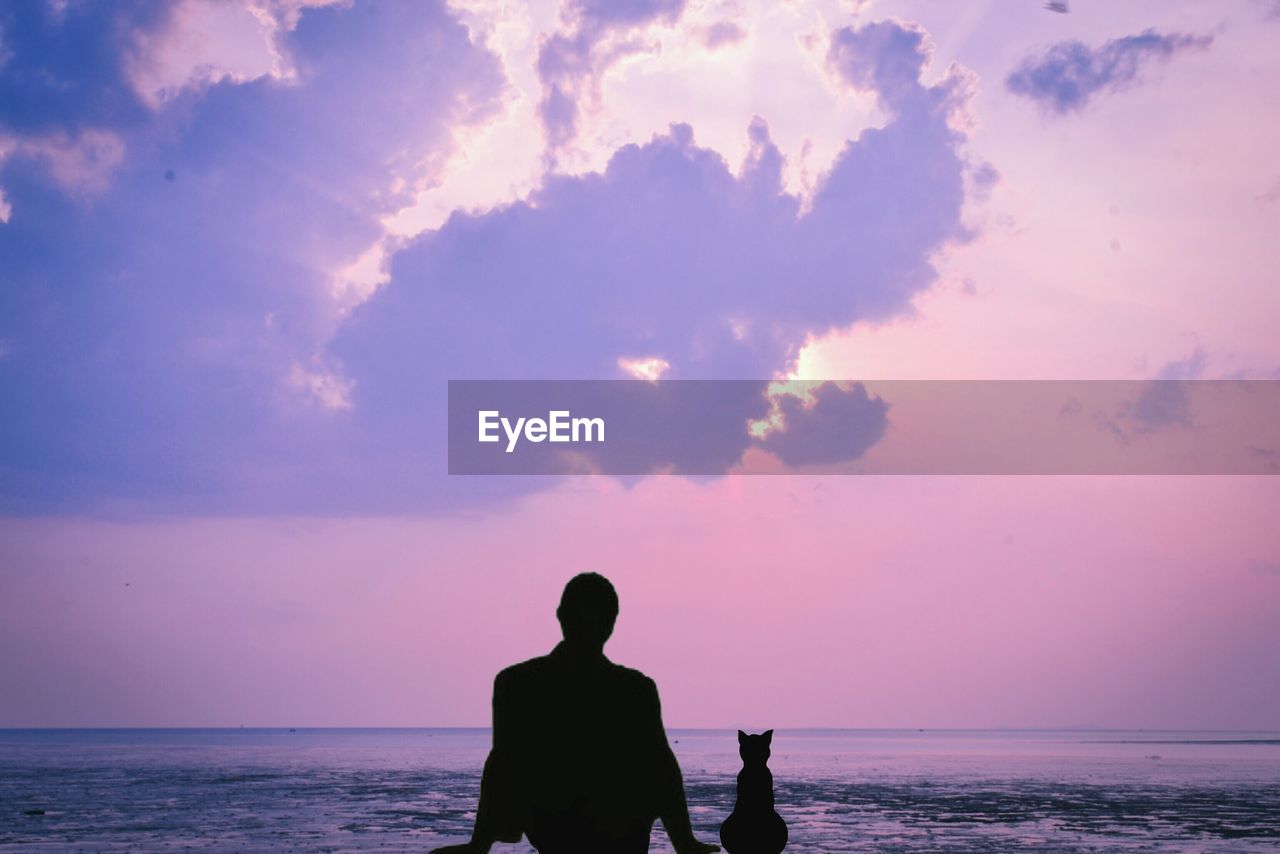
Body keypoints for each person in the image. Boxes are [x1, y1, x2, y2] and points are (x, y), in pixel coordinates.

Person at [432, 573, 719, 854]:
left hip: (570, 829)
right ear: (612, 623)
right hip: (614, 831)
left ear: (560, 616)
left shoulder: (518, 683)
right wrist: (684, 842)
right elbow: (662, 768)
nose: (590, 625)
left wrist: (479, 845)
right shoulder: (635, 689)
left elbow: (503, 766)